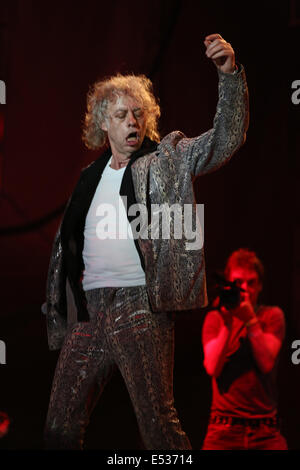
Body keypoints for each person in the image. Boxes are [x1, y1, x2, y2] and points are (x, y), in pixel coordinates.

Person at [43, 33, 249, 449]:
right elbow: (65, 252)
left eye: (138, 113)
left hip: (140, 304)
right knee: (59, 427)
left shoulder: (167, 159)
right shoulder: (88, 179)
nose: (132, 122)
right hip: (88, 307)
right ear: (104, 122)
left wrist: (229, 76)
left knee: (159, 427)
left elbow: (226, 139)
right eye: (121, 115)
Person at [201, 248, 287, 450]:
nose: (245, 288)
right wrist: (228, 324)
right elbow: (213, 367)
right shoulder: (216, 319)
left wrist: (250, 320)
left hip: (265, 431)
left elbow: (266, 362)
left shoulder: (271, 317)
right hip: (223, 430)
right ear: (228, 285)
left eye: (251, 282)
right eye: (238, 282)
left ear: (260, 286)